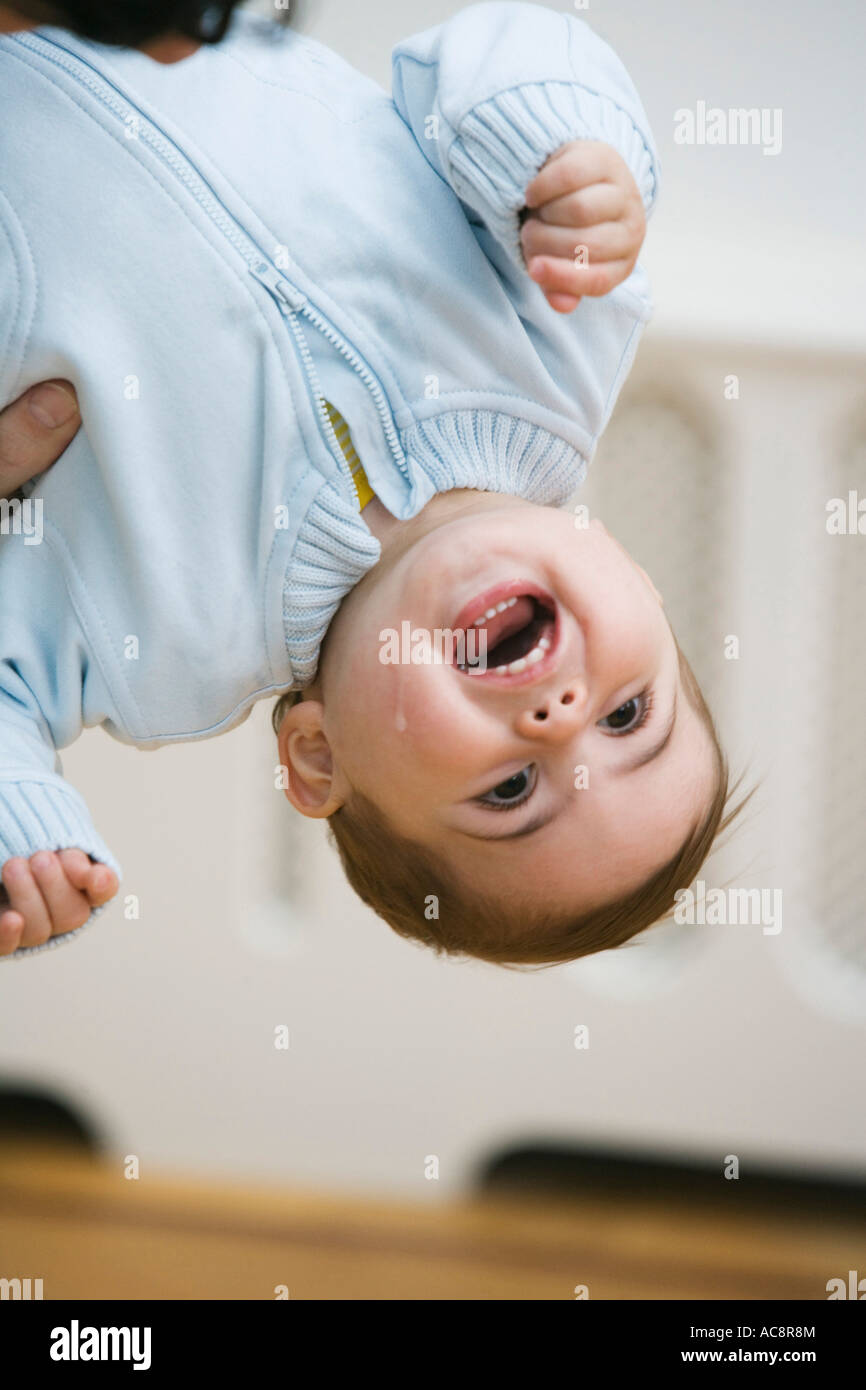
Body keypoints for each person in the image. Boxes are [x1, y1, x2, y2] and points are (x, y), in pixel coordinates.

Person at [0, 2, 745, 967]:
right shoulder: (564, 341)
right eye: (628, 715)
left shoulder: (164, 647)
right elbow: (505, 46)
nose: (560, 719)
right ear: (641, 582)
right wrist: (562, 146)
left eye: (510, 791)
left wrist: (19, 814)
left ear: (317, 759)